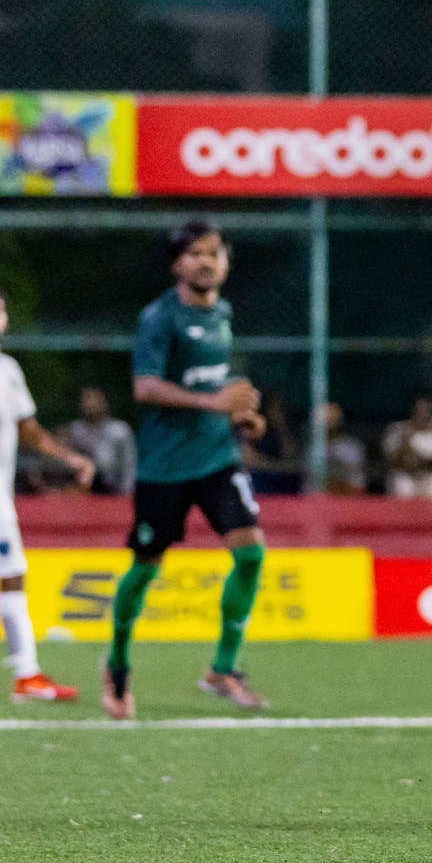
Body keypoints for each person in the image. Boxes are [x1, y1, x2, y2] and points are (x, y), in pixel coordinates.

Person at [106, 220, 271, 719]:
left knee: (250, 554)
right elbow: (145, 387)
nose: (205, 261)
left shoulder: (221, 312)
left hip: (218, 458)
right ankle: (116, 664)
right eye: (194, 253)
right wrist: (216, 401)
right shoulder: (159, 317)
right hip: (165, 466)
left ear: (225, 262)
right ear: (177, 263)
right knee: (144, 568)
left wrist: (242, 416)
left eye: (213, 253)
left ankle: (223, 668)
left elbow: (214, 386)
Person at [0, 293, 96, 701]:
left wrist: (68, 457)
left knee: (11, 578)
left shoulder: (8, 371)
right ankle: (26, 674)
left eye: (1, 308)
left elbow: (29, 431)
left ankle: (26, 674)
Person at [65, 386, 135, 494]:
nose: (90, 404)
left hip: (115, 490)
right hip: (84, 492)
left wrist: (127, 493)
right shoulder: (75, 431)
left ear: (105, 402)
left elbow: (130, 464)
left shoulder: (120, 430)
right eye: (87, 400)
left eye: (95, 399)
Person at [318, 402, 367, 495]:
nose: (327, 425)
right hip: (315, 500)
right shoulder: (312, 447)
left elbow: (357, 483)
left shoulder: (352, 447)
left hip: (346, 498)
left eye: (331, 420)